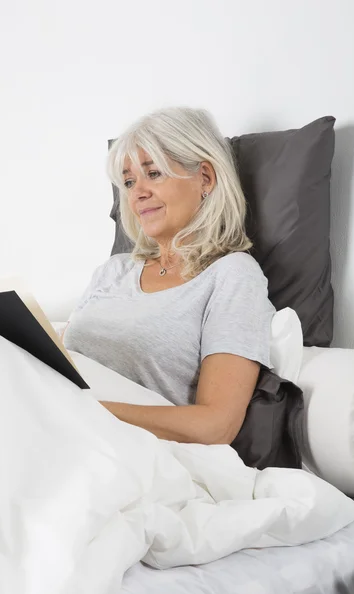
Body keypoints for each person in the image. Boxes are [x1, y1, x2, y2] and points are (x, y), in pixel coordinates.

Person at [63, 106, 276, 446]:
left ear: (205, 178)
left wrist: (84, 413)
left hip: (130, 450)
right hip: (59, 429)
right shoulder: (113, 271)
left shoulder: (232, 276)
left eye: (154, 174)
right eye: (129, 181)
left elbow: (216, 426)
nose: (137, 192)